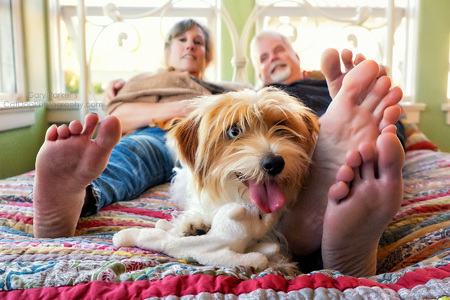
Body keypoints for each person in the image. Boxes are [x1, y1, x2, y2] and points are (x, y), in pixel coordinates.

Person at [33, 21, 404, 278]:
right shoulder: (141, 81)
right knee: (136, 151)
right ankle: (78, 193)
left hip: (226, 140)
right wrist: (175, 110)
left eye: (199, 42)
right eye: (183, 40)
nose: (192, 46)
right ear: (167, 51)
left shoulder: (219, 87)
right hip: (163, 134)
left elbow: (256, 112)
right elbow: (118, 116)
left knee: (289, 143)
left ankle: (322, 168)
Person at [251, 30, 405, 276]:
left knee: (384, 125)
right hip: (295, 130)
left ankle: (328, 147)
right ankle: (318, 151)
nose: (273, 58)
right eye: (263, 58)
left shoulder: (329, 84)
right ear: (259, 75)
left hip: (342, 116)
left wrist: (344, 96)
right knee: (282, 128)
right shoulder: (254, 99)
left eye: (279, 50)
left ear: (297, 58)